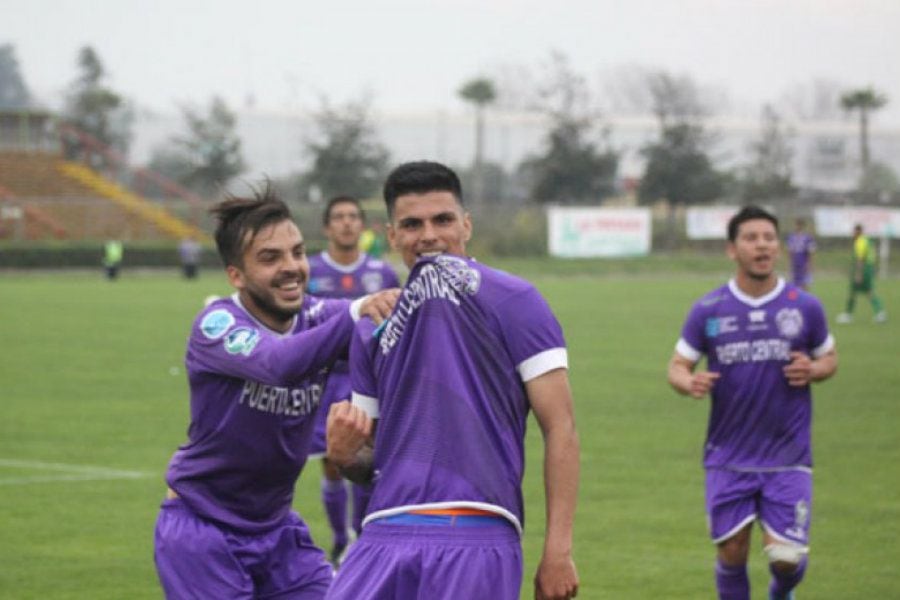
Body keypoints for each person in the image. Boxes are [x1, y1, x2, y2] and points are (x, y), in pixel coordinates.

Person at [325, 161, 580, 600]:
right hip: (384, 531)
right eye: (411, 224)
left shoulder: (517, 300)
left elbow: (561, 429)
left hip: (476, 529)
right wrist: (345, 456)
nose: (428, 235)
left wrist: (557, 550)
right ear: (392, 235)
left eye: (442, 220)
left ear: (466, 225)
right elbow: (369, 462)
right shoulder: (371, 328)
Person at [153, 186, 398, 599]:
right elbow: (277, 364)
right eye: (270, 258)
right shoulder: (217, 326)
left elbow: (388, 338)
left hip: (275, 529)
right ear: (236, 274)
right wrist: (358, 309)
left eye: (297, 252)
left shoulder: (316, 315)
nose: (292, 267)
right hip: (204, 531)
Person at [667, 205, 838, 600]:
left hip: (787, 454)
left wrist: (814, 369)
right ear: (732, 249)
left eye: (768, 238)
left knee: (787, 559)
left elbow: (830, 358)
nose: (762, 246)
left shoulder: (804, 306)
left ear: (777, 246)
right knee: (732, 551)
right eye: (751, 238)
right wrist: (687, 381)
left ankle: (781, 592)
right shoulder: (709, 309)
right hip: (728, 454)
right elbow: (677, 365)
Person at [306, 195, 400, 565]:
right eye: (338, 217)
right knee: (332, 459)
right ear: (327, 227)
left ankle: (362, 539)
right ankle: (339, 538)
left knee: (366, 460)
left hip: (368, 380)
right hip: (326, 380)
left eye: (352, 217)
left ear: (361, 227)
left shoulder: (383, 272)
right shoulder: (311, 271)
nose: (346, 223)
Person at [836, 223, 886, 323]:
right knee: (864, 292)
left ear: (858, 231)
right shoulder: (867, 241)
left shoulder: (860, 242)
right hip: (868, 268)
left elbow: (860, 259)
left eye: (854, 232)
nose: (853, 234)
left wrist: (858, 274)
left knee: (857, 292)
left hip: (863, 269)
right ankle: (880, 313)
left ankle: (848, 315)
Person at [786, 218, 816, 289]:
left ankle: (805, 298)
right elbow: (790, 251)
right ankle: (795, 298)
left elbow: (810, 251)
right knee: (794, 282)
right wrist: (789, 262)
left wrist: (809, 263)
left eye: (799, 225)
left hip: (803, 260)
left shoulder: (808, 237)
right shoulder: (791, 237)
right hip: (795, 261)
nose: (798, 227)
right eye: (796, 225)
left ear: (803, 226)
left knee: (805, 282)